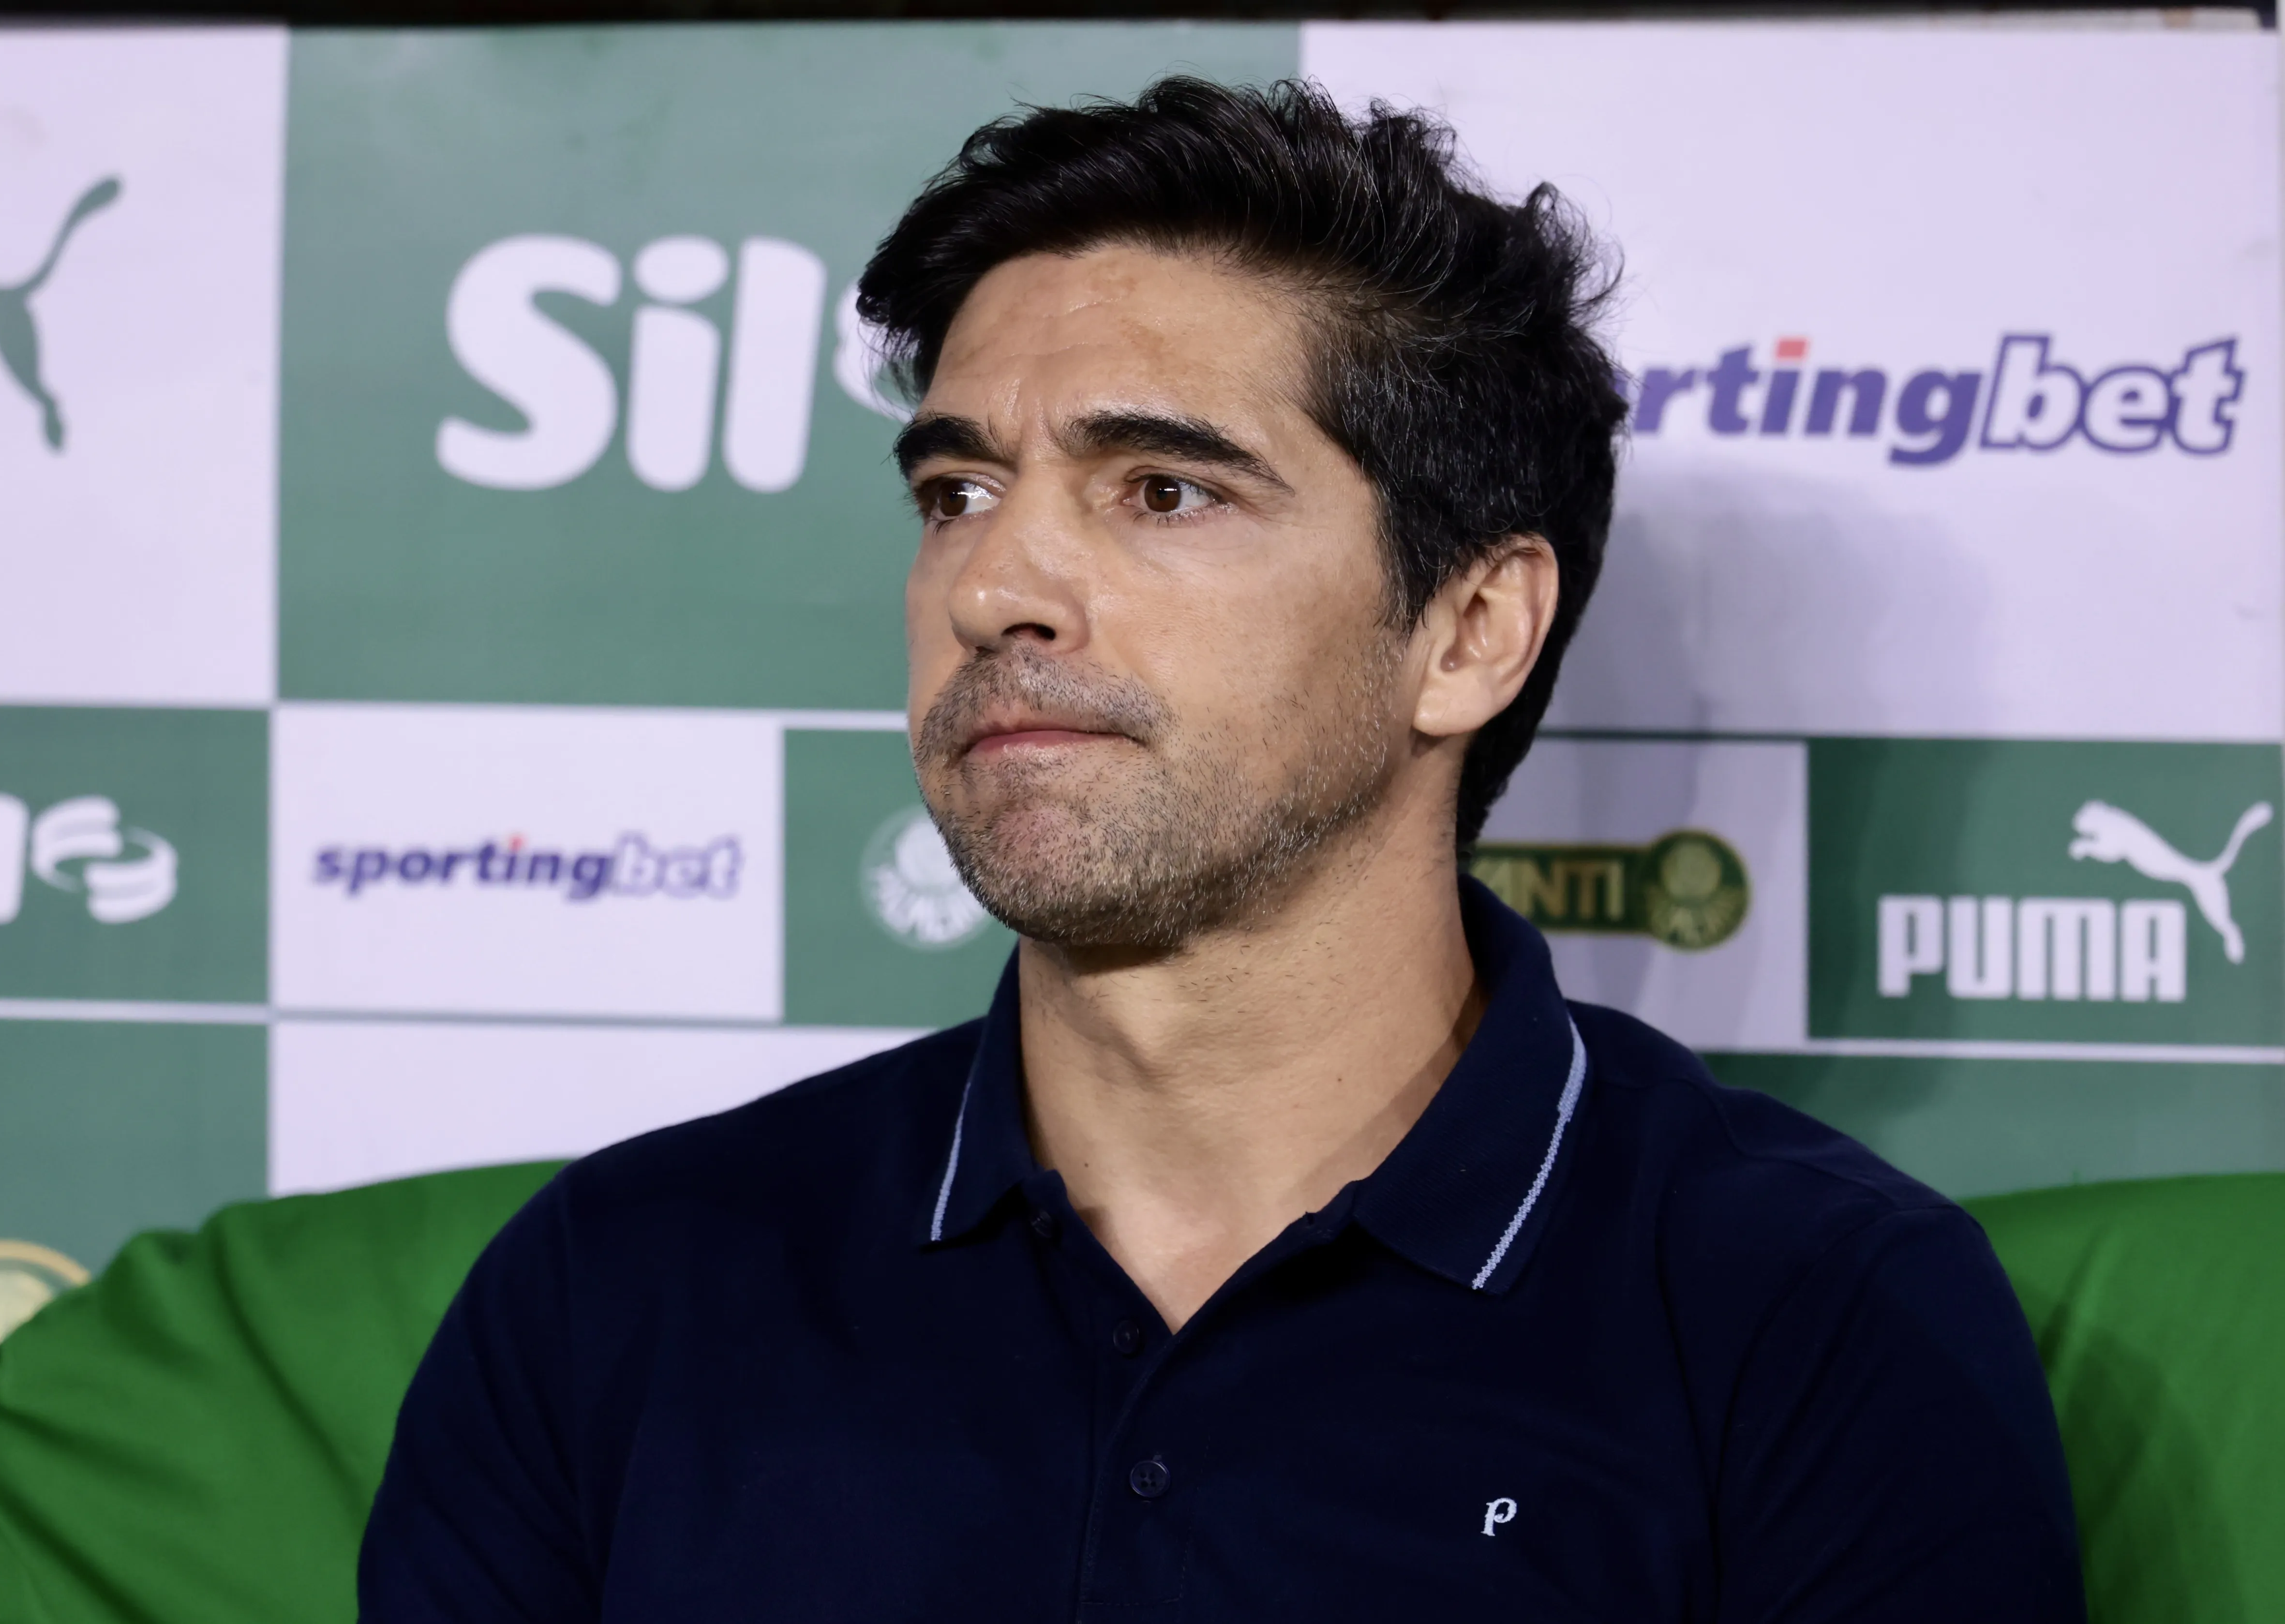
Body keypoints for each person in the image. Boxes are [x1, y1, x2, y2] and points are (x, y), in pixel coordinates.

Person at [359, 77, 2082, 1621]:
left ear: (1470, 628)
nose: (993, 586)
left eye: (1163, 491)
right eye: (957, 492)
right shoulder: (616, 1289)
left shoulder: (1814, 1317)